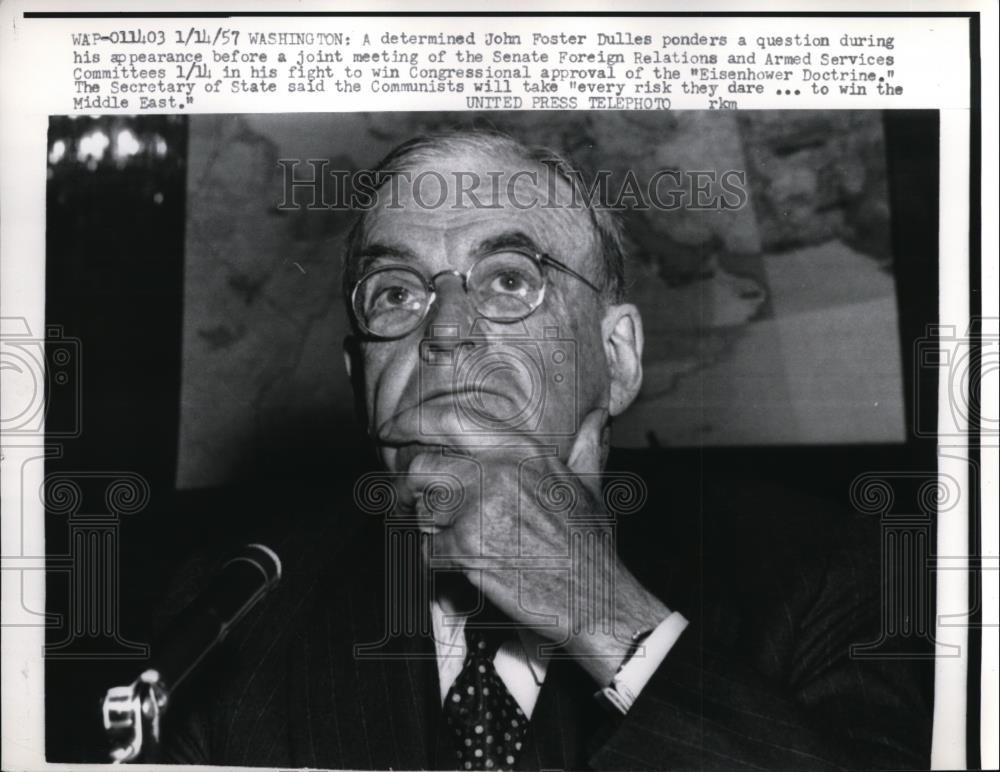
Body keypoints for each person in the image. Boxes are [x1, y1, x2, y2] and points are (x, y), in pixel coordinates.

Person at [161, 129, 931, 770]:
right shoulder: (236, 617)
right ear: (359, 377)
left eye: (506, 280)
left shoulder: (826, 578)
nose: (446, 332)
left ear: (618, 358)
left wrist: (602, 617)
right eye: (395, 293)